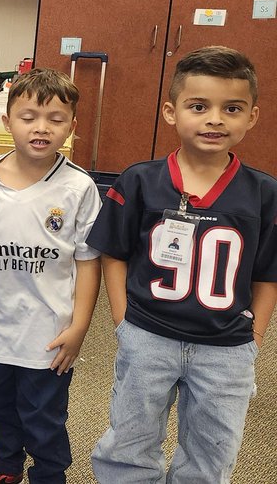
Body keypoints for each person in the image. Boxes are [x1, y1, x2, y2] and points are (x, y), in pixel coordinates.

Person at [89, 46, 277, 483]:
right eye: (199, 106)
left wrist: (255, 337)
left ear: (251, 117)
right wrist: (123, 319)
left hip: (226, 348)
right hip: (148, 336)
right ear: (171, 112)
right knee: (130, 441)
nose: (215, 119)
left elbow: (268, 274)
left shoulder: (264, 193)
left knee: (212, 451)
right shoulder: (139, 181)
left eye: (232, 108)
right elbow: (113, 253)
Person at [0, 69, 102, 484]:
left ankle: (49, 474)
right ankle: (5, 465)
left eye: (56, 119)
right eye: (28, 117)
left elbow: (88, 261)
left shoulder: (78, 187)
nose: (41, 128)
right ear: (8, 123)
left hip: (49, 328)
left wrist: (79, 327)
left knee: (43, 413)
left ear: (72, 127)